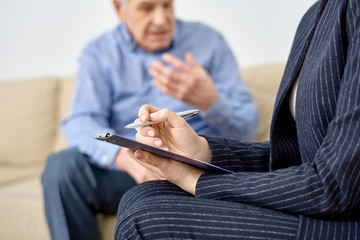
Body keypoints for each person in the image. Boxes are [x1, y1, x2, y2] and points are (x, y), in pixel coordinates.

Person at [114, 0, 360, 239]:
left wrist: (196, 180)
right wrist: (203, 153)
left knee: (146, 220)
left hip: (346, 220)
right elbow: (294, 157)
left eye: (167, 5)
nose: (160, 19)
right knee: (142, 196)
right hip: (323, 200)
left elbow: (336, 185)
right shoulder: (315, 16)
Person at [41, 0, 259, 239]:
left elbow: (249, 127)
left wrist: (211, 102)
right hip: (133, 172)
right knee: (62, 168)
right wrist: (123, 158)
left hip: (198, 169)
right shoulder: (99, 53)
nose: (161, 19)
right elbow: (80, 122)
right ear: (118, 8)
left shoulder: (209, 41)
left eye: (167, 5)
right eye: (147, 8)